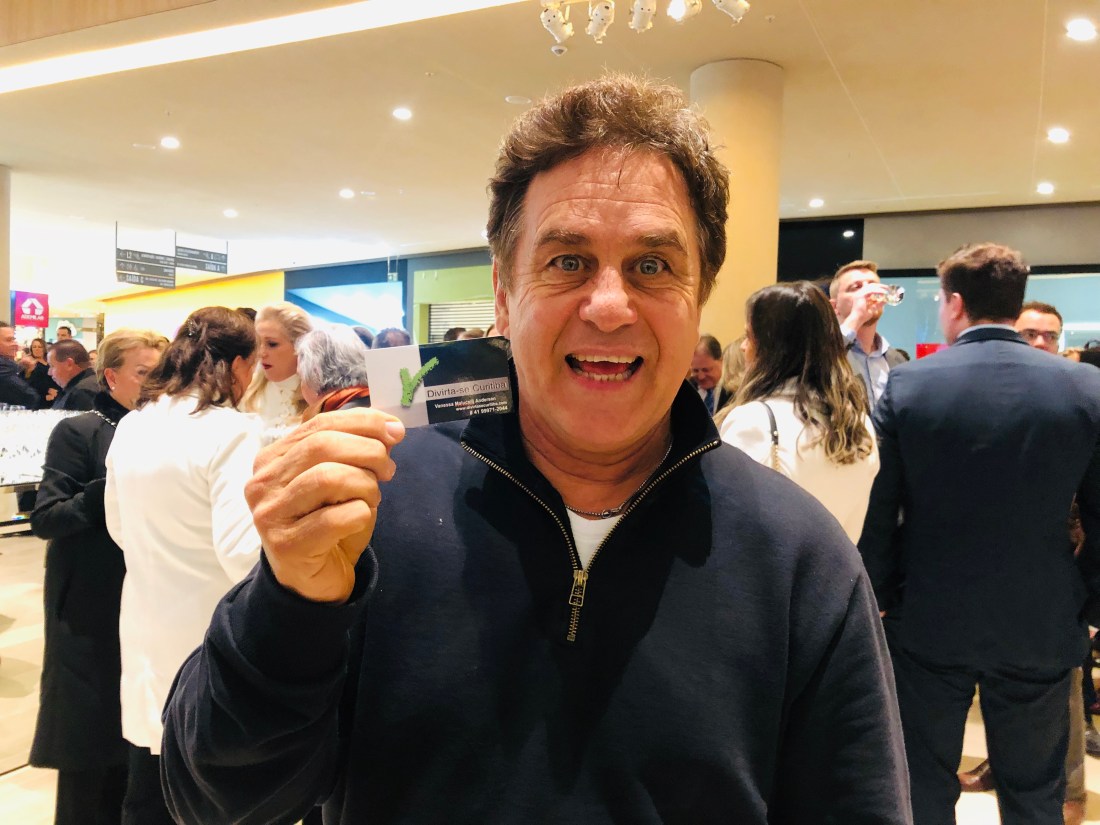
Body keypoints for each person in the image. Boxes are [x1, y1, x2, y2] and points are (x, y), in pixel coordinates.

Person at [161, 75, 910, 825]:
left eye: (652, 265)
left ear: (699, 295)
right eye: (567, 261)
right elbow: (217, 802)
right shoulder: (373, 506)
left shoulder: (798, 558)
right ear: (503, 293)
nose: (609, 306)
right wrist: (292, 604)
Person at [858, 243, 1100, 825]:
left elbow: (881, 504)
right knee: (1035, 789)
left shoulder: (911, 384)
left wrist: (881, 594)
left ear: (955, 303)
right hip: (1041, 613)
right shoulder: (1083, 387)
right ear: (1016, 305)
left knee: (923, 781)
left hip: (929, 612)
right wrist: (1090, 601)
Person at [105, 307, 264, 825]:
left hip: (145, 623)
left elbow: (118, 528)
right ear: (236, 365)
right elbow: (241, 553)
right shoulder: (232, 430)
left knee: (149, 787)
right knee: (212, 795)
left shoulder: (134, 423)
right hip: (208, 634)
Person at [28, 329, 165, 825]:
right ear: (111, 376)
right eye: (144, 373)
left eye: (162, 373)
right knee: (90, 743)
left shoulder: (166, 435)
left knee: (142, 742)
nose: (155, 384)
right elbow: (47, 517)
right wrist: (110, 489)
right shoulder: (80, 431)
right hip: (89, 607)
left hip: (150, 605)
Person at [718, 282, 878, 542]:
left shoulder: (753, 421)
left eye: (749, 336)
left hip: (774, 568)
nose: (744, 347)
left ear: (771, 347)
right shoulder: (860, 424)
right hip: (840, 567)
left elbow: (728, 526)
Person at [830, 260, 907, 408]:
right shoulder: (826, 351)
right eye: (856, 287)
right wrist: (856, 317)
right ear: (835, 307)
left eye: (872, 285)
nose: (869, 292)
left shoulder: (897, 359)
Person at [240, 302, 312, 431]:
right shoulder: (246, 392)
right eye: (258, 343)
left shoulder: (318, 399)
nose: (261, 353)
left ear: (300, 346)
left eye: (272, 344)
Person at [296, 324, 371, 420]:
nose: (301, 387)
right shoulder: (383, 404)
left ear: (316, 375)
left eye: (301, 378)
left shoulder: (324, 425)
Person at [0, 320, 41, 408]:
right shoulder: (4, 367)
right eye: (9, 340)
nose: (15, 344)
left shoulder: (9, 366)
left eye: (14, 339)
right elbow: (30, 397)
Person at [48, 339, 98, 410]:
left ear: (69, 364)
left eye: (52, 366)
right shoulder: (88, 383)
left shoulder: (82, 392)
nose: (49, 373)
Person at [690, 333, 729, 416]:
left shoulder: (733, 391)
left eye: (706, 370)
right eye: (695, 370)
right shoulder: (686, 390)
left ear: (721, 361)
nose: (701, 377)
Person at [23, 337, 61, 406]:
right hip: (39, 399)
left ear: (44, 348)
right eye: (34, 347)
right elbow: (26, 383)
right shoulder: (28, 363)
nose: (37, 349)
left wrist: (57, 392)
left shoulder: (50, 362)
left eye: (39, 347)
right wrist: (46, 392)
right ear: (31, 349)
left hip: (55, 398)